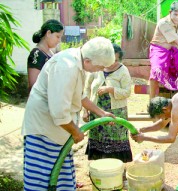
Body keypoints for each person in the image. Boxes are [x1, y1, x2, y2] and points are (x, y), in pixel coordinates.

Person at [21, 37, 116, 191]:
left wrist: (101, 112)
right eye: (100, 67)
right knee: (41, 181)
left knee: (60, 179)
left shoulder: (78, 64)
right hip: (43, 131)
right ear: (88, 60)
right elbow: (59, 111)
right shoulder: (66, 67)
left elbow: (79, 95)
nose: (100, 70)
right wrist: (75, 131)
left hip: (58, 131)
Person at [83, 43, 133, 162]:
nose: (112, 63)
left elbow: (127, 92)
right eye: (111, 59)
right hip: (96, 111)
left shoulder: (123, 70)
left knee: (116, 140)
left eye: (116, 60)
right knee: (97, 138)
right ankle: (99, 169)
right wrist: (85, 110)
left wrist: (110, 89)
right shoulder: (96, 68)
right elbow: (86, 89)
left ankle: (117, 169)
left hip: (116, 112)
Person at [27, 19, 64, 92]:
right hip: (40, 100)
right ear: (48, 33)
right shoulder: (36, 54)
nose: (59, 40)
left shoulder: (50, 52)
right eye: (57, 36)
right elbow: (33, 85)